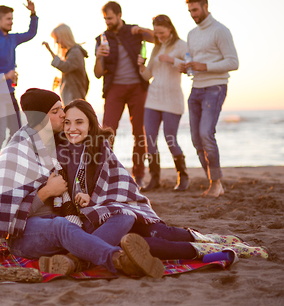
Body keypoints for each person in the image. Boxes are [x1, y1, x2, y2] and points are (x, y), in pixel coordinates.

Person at [0, 88, 165, 279]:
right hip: (26, 235)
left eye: (61, 108)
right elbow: (8, 216)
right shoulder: (17, 152)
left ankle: (74, 261)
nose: (63, 115)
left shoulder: (58, 144)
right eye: (56, 112)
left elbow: (82, 167)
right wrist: (46, 192)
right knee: (61, 225)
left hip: (68, 224)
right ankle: (119, 260)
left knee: (124, 216)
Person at [55, 99, 267, 263]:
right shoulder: (61, 153)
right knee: (145, 246)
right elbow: (65, 192)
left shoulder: (100, 148)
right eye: (67, 122)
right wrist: (81, 200)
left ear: (90, 124)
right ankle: (214, 251)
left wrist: (91, 198)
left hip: (119, 212)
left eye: (79, 122)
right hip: (95, 222)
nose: (72, 128)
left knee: (158, 232)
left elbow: (115, 186)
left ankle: (213, 240)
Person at [178, 0, 239, 198]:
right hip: (196, 88)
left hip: (215, 87)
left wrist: (205, 66)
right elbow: (195, 64)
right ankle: (213, 182)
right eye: (189, 11)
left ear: (205, 6)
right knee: (196, 139)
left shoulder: (220, 30)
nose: (192, 14)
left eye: (195, 10)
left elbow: (233, 62)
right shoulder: (192, 34)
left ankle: (216, 182)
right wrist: (187, 68)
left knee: (206, 134)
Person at [94, 1, 154, 189]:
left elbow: (159, 38)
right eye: (105, 18)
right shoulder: (101, 38)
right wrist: (98, 56)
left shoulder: (133, 32)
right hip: (114, 89)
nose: (107, 21)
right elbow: (97, 74)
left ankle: (139, 175)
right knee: (107, 131)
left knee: (139, 133)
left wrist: (141, 29)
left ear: (119, 15)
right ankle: (105, 173)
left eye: (110, 18)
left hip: (138, 88)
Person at [0, 0, 38, 163]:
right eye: (8, 19)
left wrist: (33, 14)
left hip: (9, 93)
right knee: (0, 134)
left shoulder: (12, 39)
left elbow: (30, 33)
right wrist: (5, 75)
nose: (11, 22)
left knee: (17, 131)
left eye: (12, 19)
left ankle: (10, 163)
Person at [137, 15, 189, 192]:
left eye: (162, 33)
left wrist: (173, 60)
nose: (159, 36)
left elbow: (189, 67)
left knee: (170, 138)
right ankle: (155, 179)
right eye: (156, 33)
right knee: (150, 139)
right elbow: (147, 76)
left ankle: (183, 176)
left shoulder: (181, 45)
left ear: (170, 29)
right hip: (153, 99)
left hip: (172, 100)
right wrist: (141, 67)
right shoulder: (156, 47)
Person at [42, 23, 89, 105]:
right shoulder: (72, 52)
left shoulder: (75, 52)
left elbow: (65, 67)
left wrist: (50, 51)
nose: (56, 42)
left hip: (74, 97)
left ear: (64, 37)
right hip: (72, 96)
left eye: (57, 38)